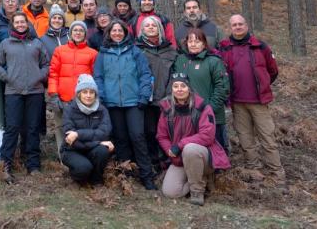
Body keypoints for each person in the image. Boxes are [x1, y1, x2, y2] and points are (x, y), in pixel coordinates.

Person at [218, 15, 284, 182]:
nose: (238, 27)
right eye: (234, 25)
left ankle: (276, 174)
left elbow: (273, 71)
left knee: (267, 137)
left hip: (258, 102)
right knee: (245, 138)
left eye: (241, 24)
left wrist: (262, 86)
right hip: (237, 102)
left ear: (246, 25)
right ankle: (253, 170)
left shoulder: (260, 46)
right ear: (230, 27)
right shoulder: (224, 48)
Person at [93, 20, 156, 190]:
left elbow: (145, 74)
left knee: (138, 137)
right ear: (109, 33)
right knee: (120, 139)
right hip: (112, 103)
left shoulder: (135, 52)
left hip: (134, 102)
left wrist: (143, 96)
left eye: (120, 30)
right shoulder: (103, 54)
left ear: (126, 32)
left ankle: (146, 175)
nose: (117, 33)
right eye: (113, 30)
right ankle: (125, 173)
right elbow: (98, 77)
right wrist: (102, 96)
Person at [0, 12, 50, 181]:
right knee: (12, 128)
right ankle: (5, 165)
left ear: (27, 24)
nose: (20, 24)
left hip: (35, 92)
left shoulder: (36, 43)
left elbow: (46, 65)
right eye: (16, 22)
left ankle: (33, 165)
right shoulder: (5, 44)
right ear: (12, 25)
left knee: (32, 128)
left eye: (22, 22)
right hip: (13, 92)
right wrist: (9, 78)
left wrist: (39, 76)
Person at [157, 73, 230, 204]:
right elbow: (161, 135)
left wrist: (179, 145)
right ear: (171, 89)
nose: (179, 89)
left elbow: (207, 135)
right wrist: (170, 150)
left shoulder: (202, 107)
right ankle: (200, 178)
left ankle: (197, 191)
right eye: (176, 86)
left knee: (190, 149)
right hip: (179, 157)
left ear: (189, 88)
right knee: (171, 192)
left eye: (183, 86)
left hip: (203, 156)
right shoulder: (167, 108)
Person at [172, 27, 231, 151]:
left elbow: (223, 87)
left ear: (204, 44)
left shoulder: (213, 61)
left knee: (216, 150)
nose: (193, 44)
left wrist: (209, 108)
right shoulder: (180, 60)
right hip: (187, 114)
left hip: (211, 113)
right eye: (190, 41)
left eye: (197, 41)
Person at [47, 21, 98, 156]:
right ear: (70, 33)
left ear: (85, 34)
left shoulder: (92, 53)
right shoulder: (59, 50)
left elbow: (96, 77)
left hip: (83, 100)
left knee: (80, 129)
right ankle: (64, 158)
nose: (78, 33)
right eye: (75, 30)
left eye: (81, 30)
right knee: (61, 128)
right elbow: (53, 74)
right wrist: (53, 95)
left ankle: (79, 158)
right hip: (62, 98)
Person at [136, 15, 179, 171]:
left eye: (154, 25)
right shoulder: (137, 49)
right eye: (147, 26)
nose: (151, 28)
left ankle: (168, 161)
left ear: (160, 28)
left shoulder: (170, 50)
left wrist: (170, 95)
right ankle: (153, 161)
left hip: (167, 98)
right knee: (150, 131)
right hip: (147, 99)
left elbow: (176, 74)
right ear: (142, 29)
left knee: (167, 130)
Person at [61, 74, 114, 187]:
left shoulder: (102, 110)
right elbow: (72, 141)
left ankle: (96, 180)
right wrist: (98, 142)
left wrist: (78, 134)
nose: (88, 96)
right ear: (79, 94)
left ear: (96, 94)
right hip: (71, 150)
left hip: (92, 149)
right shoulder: (69, 109)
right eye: (85, 92)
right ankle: (79, 178)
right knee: (84, 168)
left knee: (103, 150)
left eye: (91, 92)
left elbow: (104, 133)